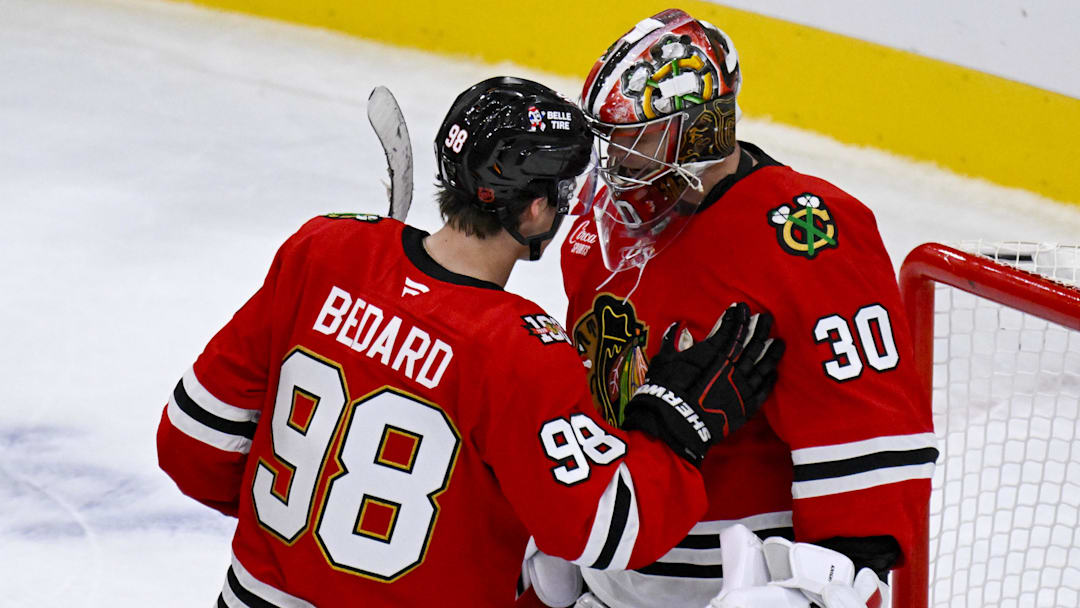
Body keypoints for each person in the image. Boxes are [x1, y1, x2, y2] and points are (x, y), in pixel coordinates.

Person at [156, 76, 784, 607]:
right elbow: (608, 531)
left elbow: (190, 442)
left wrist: (306, 539)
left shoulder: (324, 251)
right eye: (565, 190)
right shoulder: (518, 347)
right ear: (535, 212)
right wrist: (671, 429)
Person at [559, 9, 938, 608]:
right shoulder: (602, 217)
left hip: (730, 589)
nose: (619, 160)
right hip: (609, 576)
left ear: (704, 129)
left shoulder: (808, 233)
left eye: (641, 136)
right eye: (613, 137)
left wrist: (814, 591)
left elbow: (871, 439)